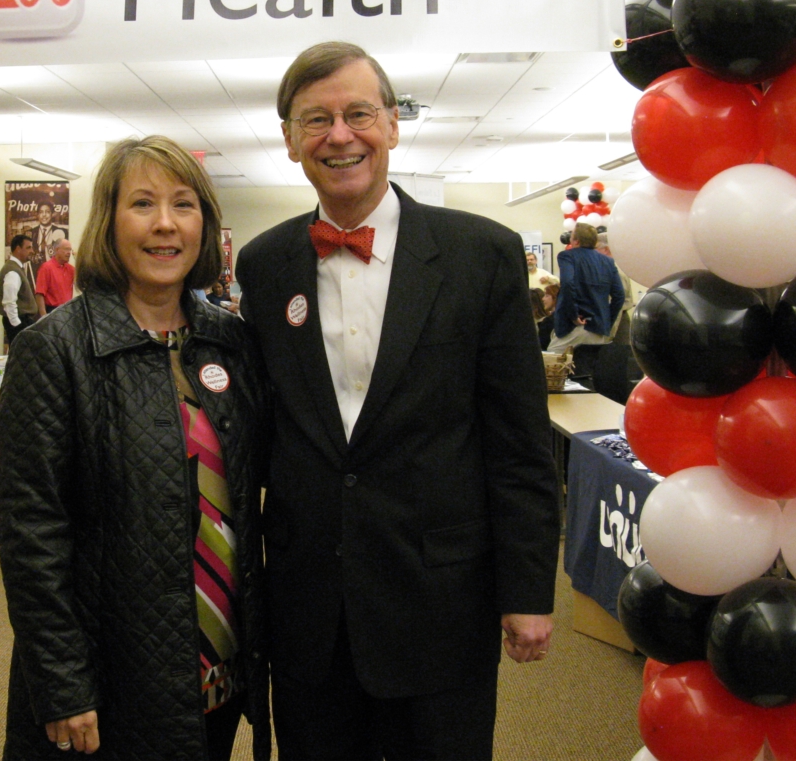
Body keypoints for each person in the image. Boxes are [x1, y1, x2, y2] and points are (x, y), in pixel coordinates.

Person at [236, 42, 560, 761]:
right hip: (310, 606)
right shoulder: (262, 266)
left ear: (391, 123)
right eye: (315, 119)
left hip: (440, 601)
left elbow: (518, 443)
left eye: (358, 113)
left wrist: (528, 588)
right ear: (289, 141)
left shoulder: (481, 253)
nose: (339, 135)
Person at [0, 136, 271, 760]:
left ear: (205, 222)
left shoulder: (231, 343)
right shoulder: (55, 351)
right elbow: (31, 536)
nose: (165, 224)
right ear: (109, 223)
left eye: (183, 205)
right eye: (142, 204)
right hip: (115, 676)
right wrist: (62, 684)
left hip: (218, 661)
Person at [548, 223, 626, 355]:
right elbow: (619, 295)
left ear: (576, 241)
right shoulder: (607, 262)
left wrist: (573, 314)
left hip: (575, 325)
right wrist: (606, 321)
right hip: (599, 328)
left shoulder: (567, 256)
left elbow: (567, 283)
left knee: (552, 363)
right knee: (588, 369)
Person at [0, 233, 39, 349]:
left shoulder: (15, 268)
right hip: (19, 322)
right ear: (17, 249)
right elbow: (9, 302)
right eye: (28, 247)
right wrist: (17, 325)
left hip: (22, 321)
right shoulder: (12, 271)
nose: (32, 251)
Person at [36, 239, 75, 315]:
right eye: (66, 249)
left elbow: (84, 283)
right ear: (57, 250)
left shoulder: (71, 269)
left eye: (70, 250)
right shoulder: (46, 268)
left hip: (67, 311)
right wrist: (44, 316)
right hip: (52, 311)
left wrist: (78, 259)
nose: (69, 253)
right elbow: (39, 294)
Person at [31, 197, 69, 271]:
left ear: (52, 214)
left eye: (47, 212)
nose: (44, 215)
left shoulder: (62, 233)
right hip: (35, 275)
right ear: (37, 215)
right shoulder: (31, 233)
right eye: (41, 212)